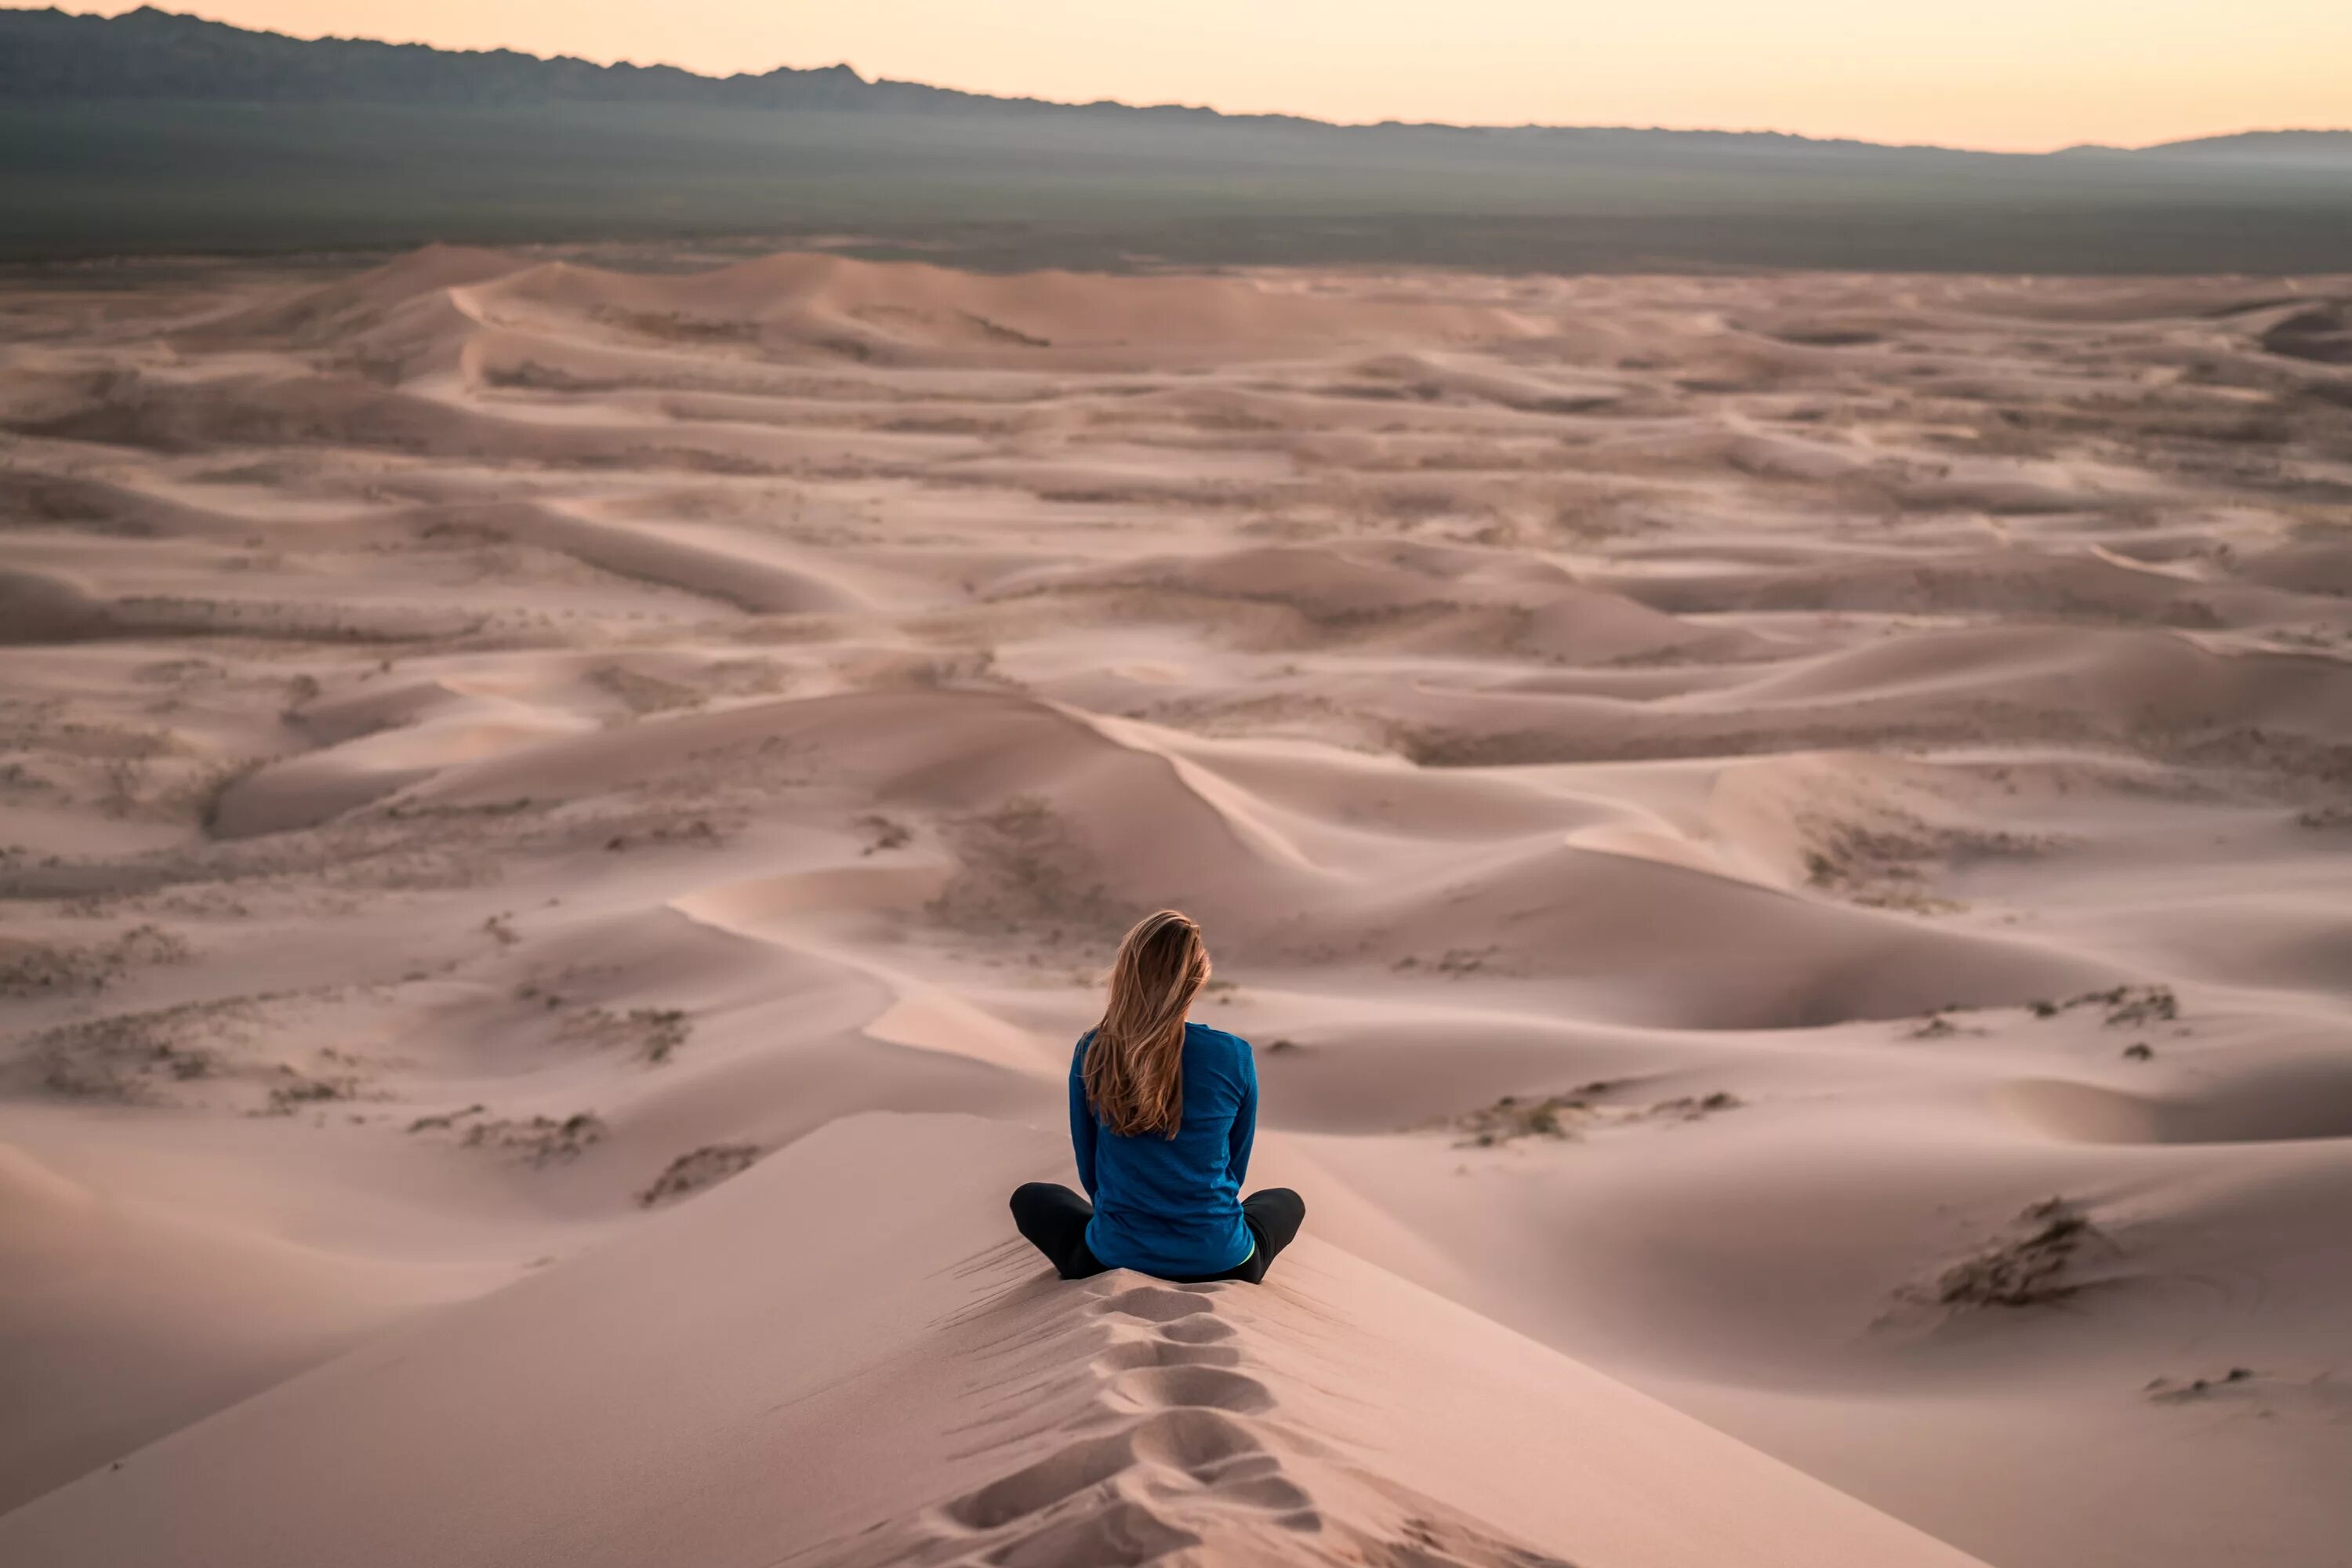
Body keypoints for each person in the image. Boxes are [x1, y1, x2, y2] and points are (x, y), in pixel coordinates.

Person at [1010, 909, 1305, 1284]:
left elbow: (1091, 1171)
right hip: (1222, 1259)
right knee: (1285, 1201)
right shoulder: (1234, 1055)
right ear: (1197, 979)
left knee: (1033, 1197)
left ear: (1126, 973)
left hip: (1112, 1256)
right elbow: (1235, 1167)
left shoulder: (1095, 1050)